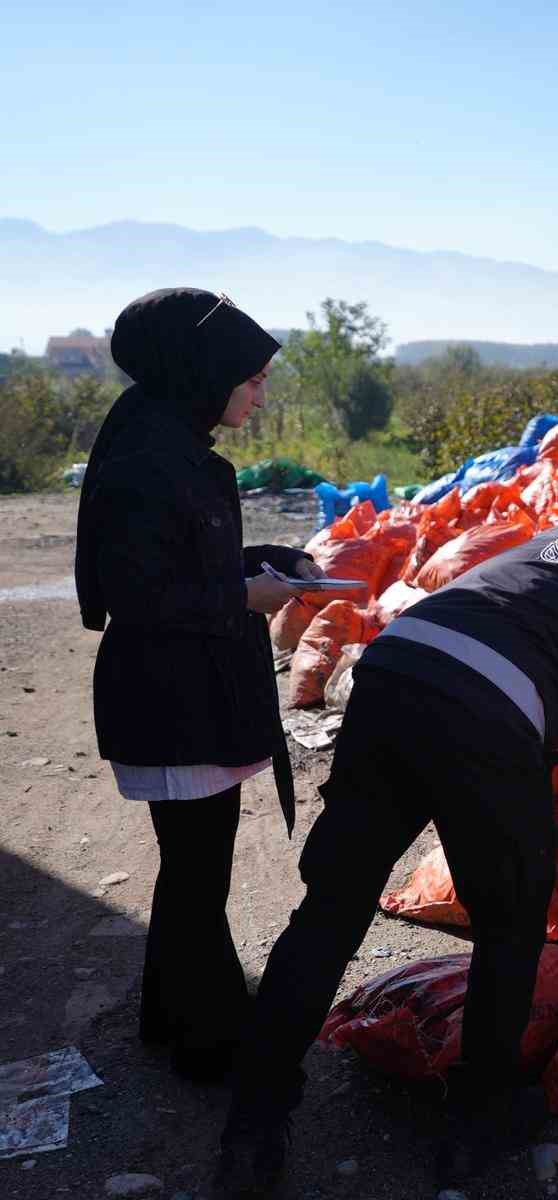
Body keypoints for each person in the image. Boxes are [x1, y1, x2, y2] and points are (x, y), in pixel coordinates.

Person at [218, 474, 558, 1195]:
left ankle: (252, 1124)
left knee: (331, 910)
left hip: (395, 668)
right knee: (511, 922)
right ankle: (478, 1119)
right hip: (487, 711)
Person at [75, 288, 323, 1084]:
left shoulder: (169, 443)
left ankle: (170, 1017)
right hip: (173, 697)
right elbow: (138, 594)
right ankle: (210, 1046)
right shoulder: (150, 462)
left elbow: (183, 559)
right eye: (252, 379)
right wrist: (243, 596)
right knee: (196, 874)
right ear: (203, 372)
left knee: (192, 867)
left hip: (189, 691)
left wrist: (269, 562)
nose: (260, 395)